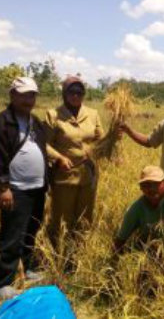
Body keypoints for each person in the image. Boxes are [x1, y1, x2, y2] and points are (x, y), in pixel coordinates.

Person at [0, 77, 48, 300]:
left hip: (37, 187)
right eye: (24, 94)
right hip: (15, 188)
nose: (29, 99)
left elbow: (43, 150)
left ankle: (25, 269)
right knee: (11, 235)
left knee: (30, 231)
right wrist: (3, 188)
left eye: (32, 95)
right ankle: (0, 282)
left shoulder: (35, 122)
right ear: (12, 95)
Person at [44, 76, 103, 253]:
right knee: (62, 218)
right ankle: (59, 255)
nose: (76, 96)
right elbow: (43, 143)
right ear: (64, 93)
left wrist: (115, 135)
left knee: (85, 216)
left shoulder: (92, 114)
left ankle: (80, 256)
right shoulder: (53, 115)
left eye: (80, 92)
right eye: (72, 92)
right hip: (64, 175)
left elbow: (100, 139)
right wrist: (58, 158)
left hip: (88, 174)